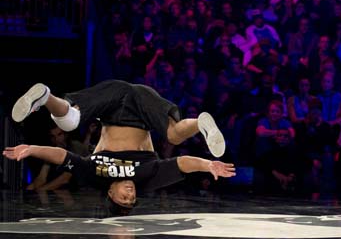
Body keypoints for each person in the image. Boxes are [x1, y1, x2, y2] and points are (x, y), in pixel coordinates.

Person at [7, 79, 232, 215]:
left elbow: (62, 156)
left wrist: (32, 148)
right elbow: (182, 164)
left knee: (71, 120)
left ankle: (46, 96)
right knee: (173, 135)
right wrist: (208, 164)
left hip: (112, 104)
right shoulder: (145, 179)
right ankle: (199, 124)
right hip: (142, 109)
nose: (130, 195)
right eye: (132, 200)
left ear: (110, 193)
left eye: (123, 198)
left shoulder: (95, 176)